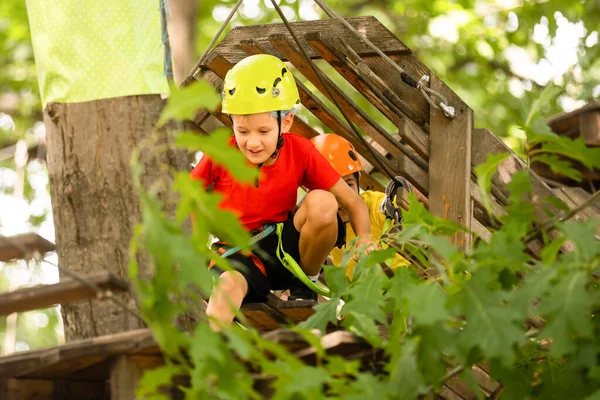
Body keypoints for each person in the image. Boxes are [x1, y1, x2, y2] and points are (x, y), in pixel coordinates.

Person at [190, 54, 376, 331]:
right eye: (242, 131)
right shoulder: (220, 154)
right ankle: (207, 352)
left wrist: (365, 239)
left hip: (284, 250)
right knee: (229, 284)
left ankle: (304, 282)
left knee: (324, 200)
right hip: (240, 255)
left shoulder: (300, 150)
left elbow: (353, 202)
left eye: (263, 130)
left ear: (286, 122)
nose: (252, 142)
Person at [307, 134, 410, 280]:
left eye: (348, 185)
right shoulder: (325, 230)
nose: (342, 199)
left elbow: (393, 206)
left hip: (410, 284)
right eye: (329, 190)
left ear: (358, 180)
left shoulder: (373, 204)